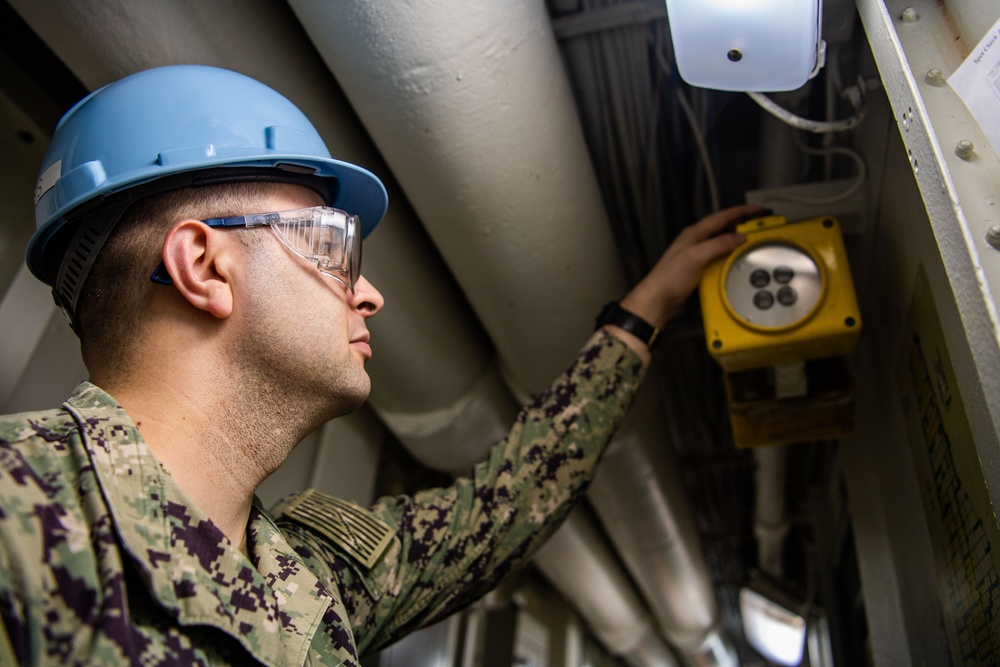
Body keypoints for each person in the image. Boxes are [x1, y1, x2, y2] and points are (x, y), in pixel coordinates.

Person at [0, 65, 754, 666]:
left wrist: (643, 311)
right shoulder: (20, 522)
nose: (370, 292)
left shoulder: (308, 574)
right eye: (333, 248)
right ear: (205, 266)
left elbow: (499, 509)